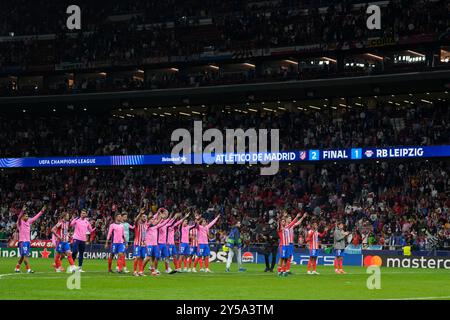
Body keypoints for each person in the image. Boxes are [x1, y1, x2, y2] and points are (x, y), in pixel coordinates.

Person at [15, 205, 46, 273]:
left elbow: (35, 218)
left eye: (27, 216)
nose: (27, 217)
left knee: (23, 256)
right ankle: (28, 269)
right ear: (22, 217)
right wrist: (22, 210)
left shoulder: (28, 222)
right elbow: (19, 217)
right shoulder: (20, 223)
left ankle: (17, 268)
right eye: (26, 216)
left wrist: (41, 211)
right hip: (22, 242)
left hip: (28, 242)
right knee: (25, 256)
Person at [132, 208, 147, 276]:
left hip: (143, 244)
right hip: (137, 243)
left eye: (145, 217)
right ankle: (134, 271)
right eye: (143, 217)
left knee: (142, 257)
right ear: (140, 217)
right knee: (137, 257)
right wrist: (140, 213)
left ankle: (140, 271)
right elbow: (135, 220)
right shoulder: (137, 224)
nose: (145, 218)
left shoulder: (145, 225)